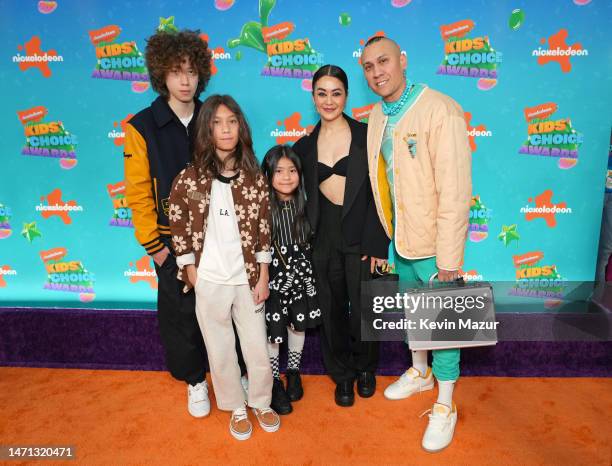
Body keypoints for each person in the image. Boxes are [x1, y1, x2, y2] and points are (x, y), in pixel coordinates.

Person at [361, 36, 472, 452]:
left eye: (384, 61)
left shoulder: (440, 109)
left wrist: (449, 258)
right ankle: (420, 373)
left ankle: (445, 404)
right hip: (402, 239)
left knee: (443, 327)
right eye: (369, 66)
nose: (377, 72)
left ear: (403, 60)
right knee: (415, 316)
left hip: (435, 247)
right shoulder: (376, 115)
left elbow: (455, 188)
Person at [168, 94, 280, 441]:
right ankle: (236, 407)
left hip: (247, 280)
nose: (226, 128)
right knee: (219, 349)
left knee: (257, 348)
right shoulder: (188, 179)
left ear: (240, 126)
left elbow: (264, 228)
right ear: (207, 129)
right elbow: (178, 223)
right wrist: (191, 272)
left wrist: (263, 275)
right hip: (209, 280)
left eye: (232, 121)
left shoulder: (253, 177)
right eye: (217, 122)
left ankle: (261, 402)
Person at [124, 28, 214, 418]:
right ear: (161, 74)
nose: (185, 80)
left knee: (225, 310)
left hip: (219, 236)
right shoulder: (141, 126)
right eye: (177, 71)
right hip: (170, 244)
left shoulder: (215, 117)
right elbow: (138, 192)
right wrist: (155, 248)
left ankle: (232, 375)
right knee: (180, 316)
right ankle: (195, 381)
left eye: (192, 71)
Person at [292, 65, 390, 407]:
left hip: (362, 232)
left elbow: (383, 190)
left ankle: (366, 367)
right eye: (322, 93)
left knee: (365, 306)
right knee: (330, 308)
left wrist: (380, 242)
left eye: (336, 93)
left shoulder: (367, 135)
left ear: (346, 96)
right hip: (322, 237)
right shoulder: (303, 146)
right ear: (313, 97)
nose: (329, 100)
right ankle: (342, 374)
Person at [260, 145, 321, 415]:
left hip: (302, 277)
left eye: (292, 170)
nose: (286, 177)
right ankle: (274, 380)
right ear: (268, 175)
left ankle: (293, 371)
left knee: (298, 325)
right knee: (273, 330)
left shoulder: (307, 205)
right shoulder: (261, 208)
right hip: (273, 278)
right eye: (279, 171)